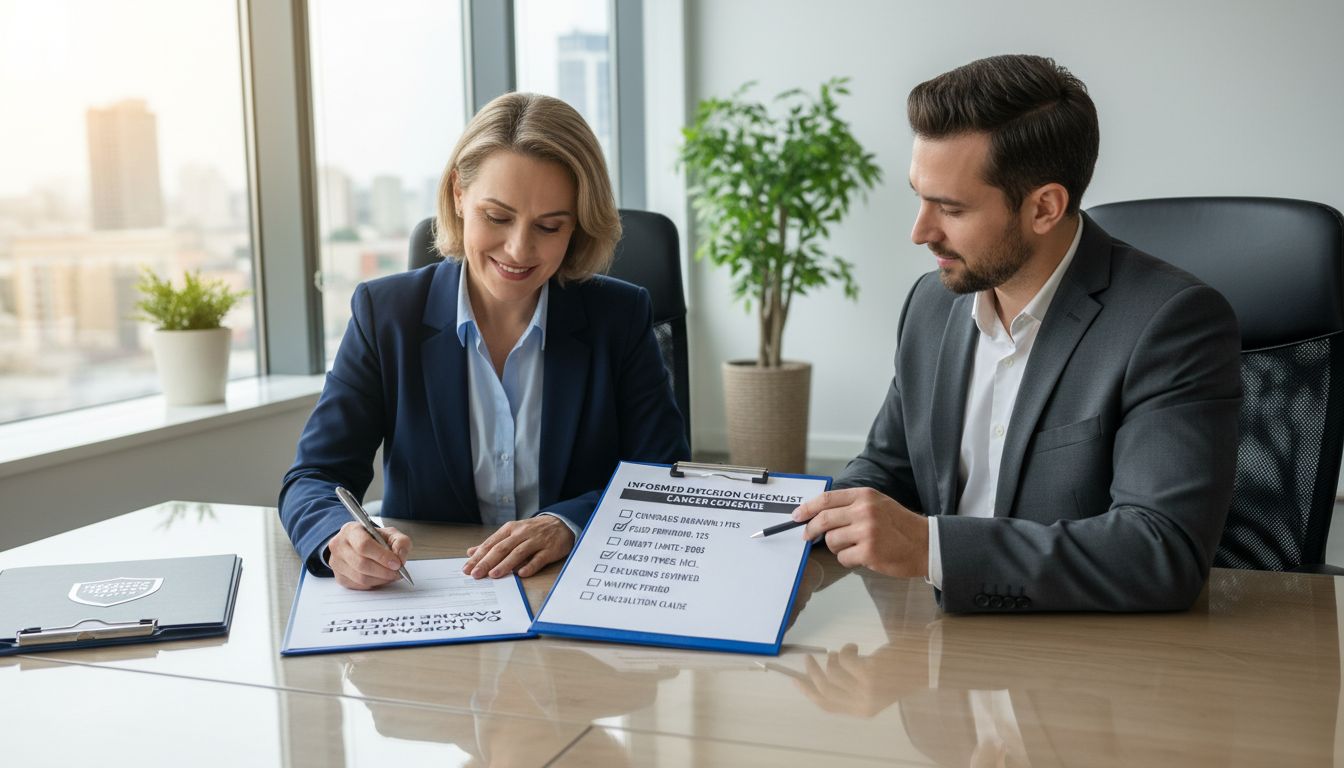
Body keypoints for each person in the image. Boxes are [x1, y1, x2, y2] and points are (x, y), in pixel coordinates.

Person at [792, 54, 1242, 612]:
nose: (919, 232)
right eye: (919, 196)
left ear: (1045, 208)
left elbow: (1160, 550)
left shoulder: (1172, 323)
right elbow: (890, 471)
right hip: (940, 657)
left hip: (1089, 668)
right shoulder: (932, 304)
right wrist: (778, 519)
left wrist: (930, 548)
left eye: (951, 209)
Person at [279, 92, 689, 590]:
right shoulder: (385, 315)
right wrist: (337, 537)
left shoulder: (620, 317)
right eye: (497, 217)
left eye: (549, 226)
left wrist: (568, 524)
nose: (519, 249)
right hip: (433, 593)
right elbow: (313, 478)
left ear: (577, 223)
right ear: (458, 194)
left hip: (575, 586)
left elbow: (662, 475)